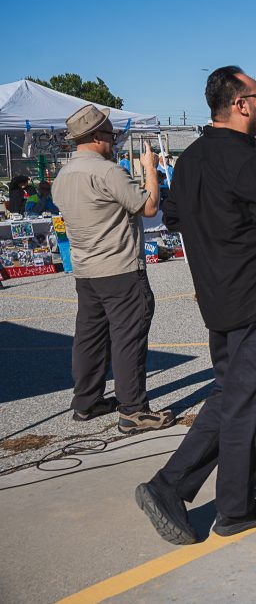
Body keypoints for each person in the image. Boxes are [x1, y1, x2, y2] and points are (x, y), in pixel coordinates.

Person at [137, 66, 256, 544]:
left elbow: (175, 215)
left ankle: (171, 486)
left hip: (217, 296)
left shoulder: (193, 157)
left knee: (230, 396)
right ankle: (230, 507)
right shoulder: (246, 160)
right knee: (250, 402)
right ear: (240, 105)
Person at [52, 103, 172, 433]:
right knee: (128, 336)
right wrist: (150, 168)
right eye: (110, 134)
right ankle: (133, 409)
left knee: (90, 337)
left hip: (86, 269)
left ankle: (86, 401)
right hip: (119, 267)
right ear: (96, 136)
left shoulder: (64, 175)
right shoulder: (107, 171)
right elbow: (148, 207)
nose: (113, 141)